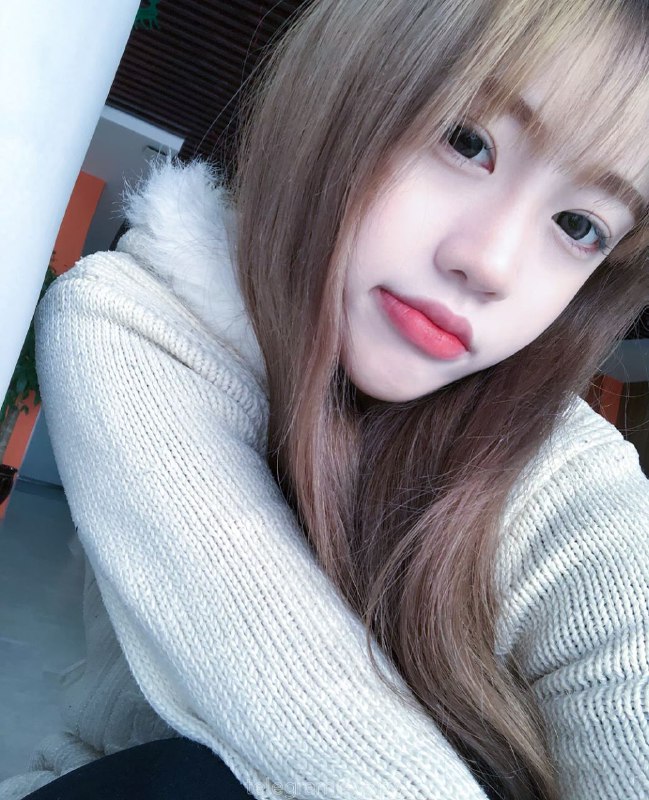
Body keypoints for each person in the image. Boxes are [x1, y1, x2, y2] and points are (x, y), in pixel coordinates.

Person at [1, 1, 648, 798]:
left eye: (579, 225)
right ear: (343, 87)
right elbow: (310, 715)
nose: (492, 264)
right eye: (465, 141)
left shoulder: (562, 465)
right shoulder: (136, 319)